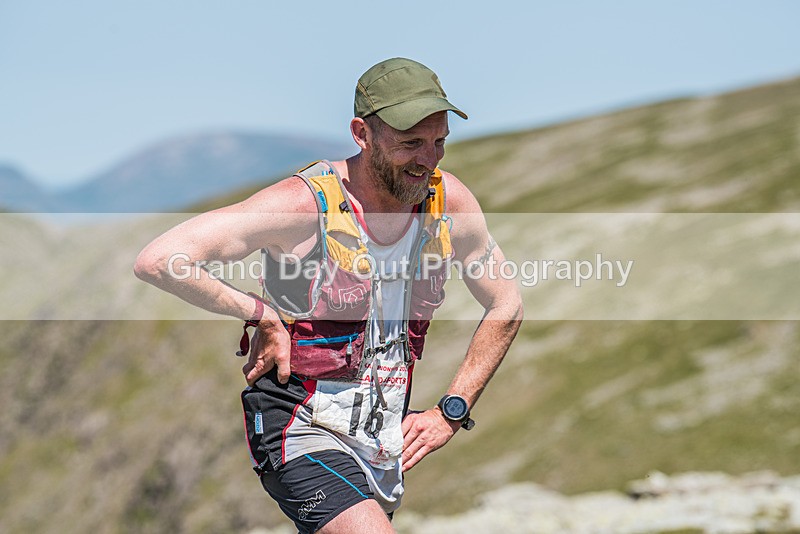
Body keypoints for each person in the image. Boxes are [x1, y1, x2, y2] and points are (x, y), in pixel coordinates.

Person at [134, 57, 523, 534]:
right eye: (411, 144)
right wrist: (260, 314)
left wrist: (452, 410)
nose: (429, 158)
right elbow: (161, 259)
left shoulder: (449, 204)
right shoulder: (301, 205)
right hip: (296, 424)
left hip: (379, 441)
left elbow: (506, 304)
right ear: (362, 134)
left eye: (439, 141)